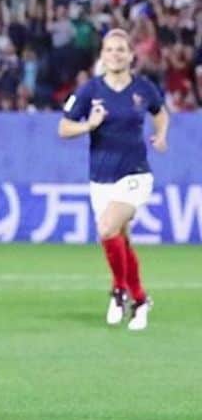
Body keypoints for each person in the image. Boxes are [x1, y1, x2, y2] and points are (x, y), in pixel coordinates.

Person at [59, 29, 168, 331]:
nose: (116, 54)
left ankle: (119, 291)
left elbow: (160, 113)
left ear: (132, 55)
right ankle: (140, 299)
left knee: (106, 226)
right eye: (110, 50)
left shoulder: (143, 88)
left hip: (135, 174)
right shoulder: (89, 91)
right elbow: (64, 128)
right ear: (102, 56)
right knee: (120, 239)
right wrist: (89, 125)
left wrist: (161, 135)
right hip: (100, 178)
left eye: (121, 49)